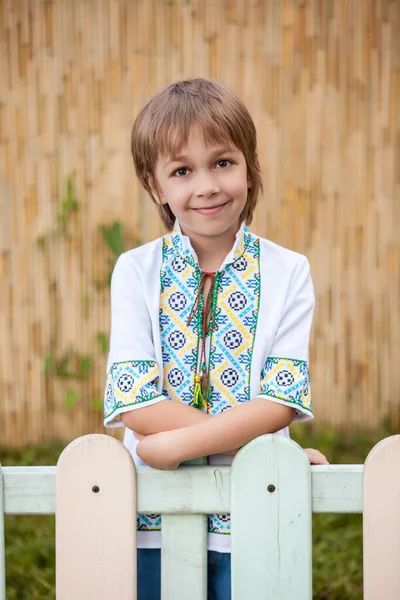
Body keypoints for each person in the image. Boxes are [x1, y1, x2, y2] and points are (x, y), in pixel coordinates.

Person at [103, 78, 328, 600]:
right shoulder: (135, 271)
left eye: (223, 162)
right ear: (156, 186)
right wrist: (264, 451)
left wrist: (176, 445)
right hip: (150, 515)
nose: (205, 185)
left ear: (250, 166)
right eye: (182, 170)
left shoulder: (288, 271)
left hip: (256, 511)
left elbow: (280, 400)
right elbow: (137, 401)